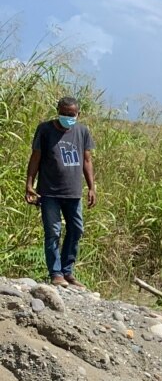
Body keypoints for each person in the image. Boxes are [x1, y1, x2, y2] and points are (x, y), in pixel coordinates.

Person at [25, 96, 96, 287]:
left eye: (71, 115)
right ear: (58, 111)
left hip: (73, 193)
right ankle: (56, 273)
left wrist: (91, 187)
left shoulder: (82, 131)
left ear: (78, 114)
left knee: (76, 230)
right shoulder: (45, 129)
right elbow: (35, 157)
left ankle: (68, 271)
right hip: (49, 192)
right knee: (53, 232)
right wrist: (29, 184)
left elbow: (87, 160)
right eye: (63, 114)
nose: (67, 117)